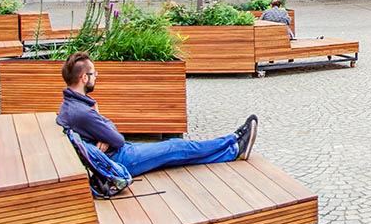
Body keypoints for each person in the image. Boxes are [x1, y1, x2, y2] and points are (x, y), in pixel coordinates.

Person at [56, 52, 258, 177]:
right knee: (177, 146)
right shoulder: (82, 112)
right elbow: (117, 139)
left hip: (116, 156)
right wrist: (105, 130)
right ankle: (232, 139)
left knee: (177, 155)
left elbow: (107, 131)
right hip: (123, 160)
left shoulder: (72, 104)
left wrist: (102, 127)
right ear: (84, 77)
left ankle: (232, 151)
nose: (96, 77)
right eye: (94, 74)